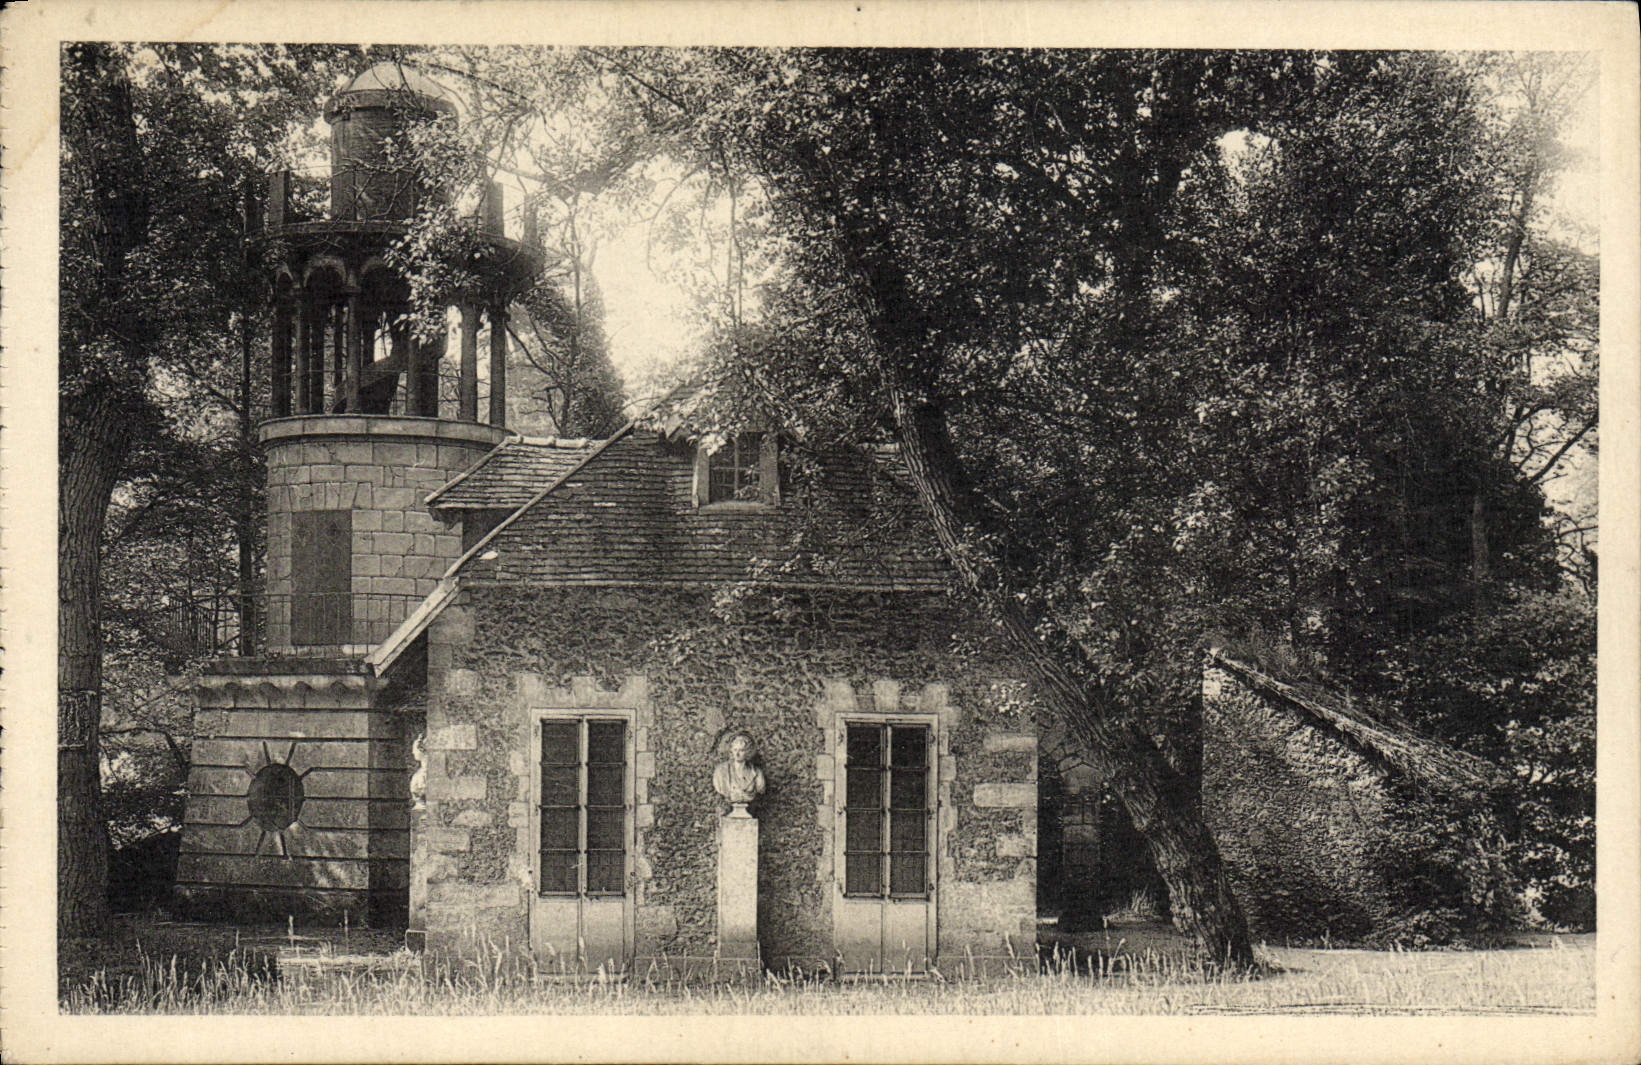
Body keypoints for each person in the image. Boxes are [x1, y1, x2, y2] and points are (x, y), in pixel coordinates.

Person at [712, 732, 766, 807]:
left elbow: (760, 788)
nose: (737, 754)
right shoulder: (721, 771)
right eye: (735, 750)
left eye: (741, 750)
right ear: (731, 751)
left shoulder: (756, 773)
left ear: (748, 752)